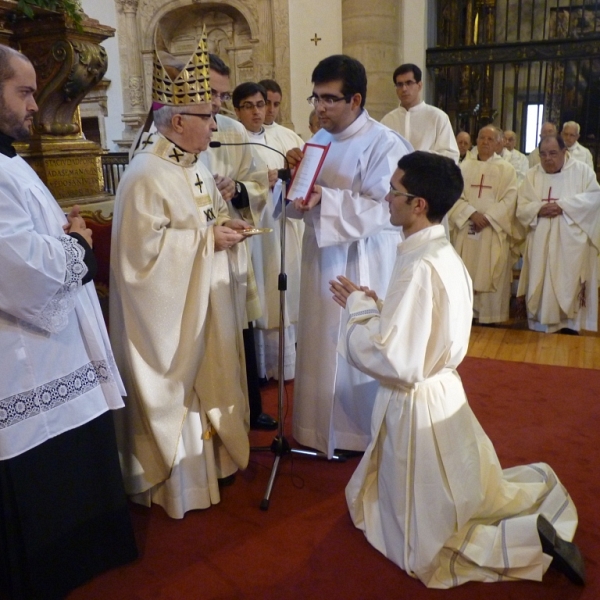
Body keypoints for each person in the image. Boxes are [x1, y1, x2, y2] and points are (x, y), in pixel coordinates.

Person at [331, 150, 584, 589]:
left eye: (395, 191)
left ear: (418, 204)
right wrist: (378, 308)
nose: (387, 198)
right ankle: (523, 532)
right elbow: (417, 329)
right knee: (458, 493)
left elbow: (396, 360)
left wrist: (357, 311)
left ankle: (526, 543)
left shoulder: (419, 266)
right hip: (443, 393)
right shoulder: (438, 251)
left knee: (426, 535)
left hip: (417, 405)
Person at [0, 45, 137, 599]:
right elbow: (19, 265)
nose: (37, 104)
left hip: (49, 347)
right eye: (25, 91)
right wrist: (76, 245)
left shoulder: (9, 160)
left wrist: (64, 232)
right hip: (22, 354)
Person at [110, 33, 251, 519]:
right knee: (182, 387)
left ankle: (212, 465)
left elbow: (201, 223)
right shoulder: (146, 175)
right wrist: (207, 241)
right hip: (169, 322)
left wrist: (223, 225)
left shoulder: (192, 166)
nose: (216, 122)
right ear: (176, 121)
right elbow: (139, 263)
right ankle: (178, 484)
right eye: (207, 116)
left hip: (203, 304)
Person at [286, 54, 412, 458]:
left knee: (351, 340)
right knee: (320, 340)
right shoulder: (318, 141)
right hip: (320, 258)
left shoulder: (384, 142)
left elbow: (388, 209)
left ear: (355, 100)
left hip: (361, 260)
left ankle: (357, 433)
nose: (320, 108)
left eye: (329, 99)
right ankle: (316, 429)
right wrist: (290, 183)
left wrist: (328, 199)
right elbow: (297, 204)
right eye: (316, 98)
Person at [200, 54, 277, 430]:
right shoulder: (163, 130)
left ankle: (249, 407)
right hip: (196, 256)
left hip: (231, 248)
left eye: (222, 94)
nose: (216, 102)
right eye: (210, 92)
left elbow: (257, 179)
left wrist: (239, 189)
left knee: (241, 331)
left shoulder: (231, 129)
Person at [232, 81, 303, 381]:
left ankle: (285, 362)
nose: (259, 111)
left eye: (261, 104)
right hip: (250, 226)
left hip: (281, 224)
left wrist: (290, 173)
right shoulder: (230, 140)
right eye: (249, 106)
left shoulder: (284, 137)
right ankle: (259, 368)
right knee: (259, 290)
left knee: (280, 290)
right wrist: (263, 180)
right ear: (236, 110)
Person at [517, 134, 600, 333]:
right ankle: (539, 321)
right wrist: (538, 209)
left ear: (564, 152)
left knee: (568, 281)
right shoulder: (532, 175)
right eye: (543, 154)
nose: (548, 159)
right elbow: (521, 207)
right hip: (540, 240)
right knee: (541, 277)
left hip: (571, 244)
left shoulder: (582, 172)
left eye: (553, 153)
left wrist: (564, 206)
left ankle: (570, 324)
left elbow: (595, 199)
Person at [447, 125, 519, 324]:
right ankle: (466, 314)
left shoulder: (506, 169)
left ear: (499, 143)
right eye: (481, 138)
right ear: (476, 141)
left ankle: (491, 315)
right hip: (467, 228)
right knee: (466, 269)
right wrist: (471, 214)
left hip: (492, 230)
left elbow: (510, 199)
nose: (485, 142)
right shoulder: (465, 167)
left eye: (490, 139)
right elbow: (455, 195)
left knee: (491, 267)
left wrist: (487, 218)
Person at [381, 63, 459, 162]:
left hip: (427, 176)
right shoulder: (387, 121)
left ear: (419, 85)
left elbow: (451, 156)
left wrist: (421, 158)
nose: (404, 89)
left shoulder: (438, 117)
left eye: (409, 83)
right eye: (399, 84)